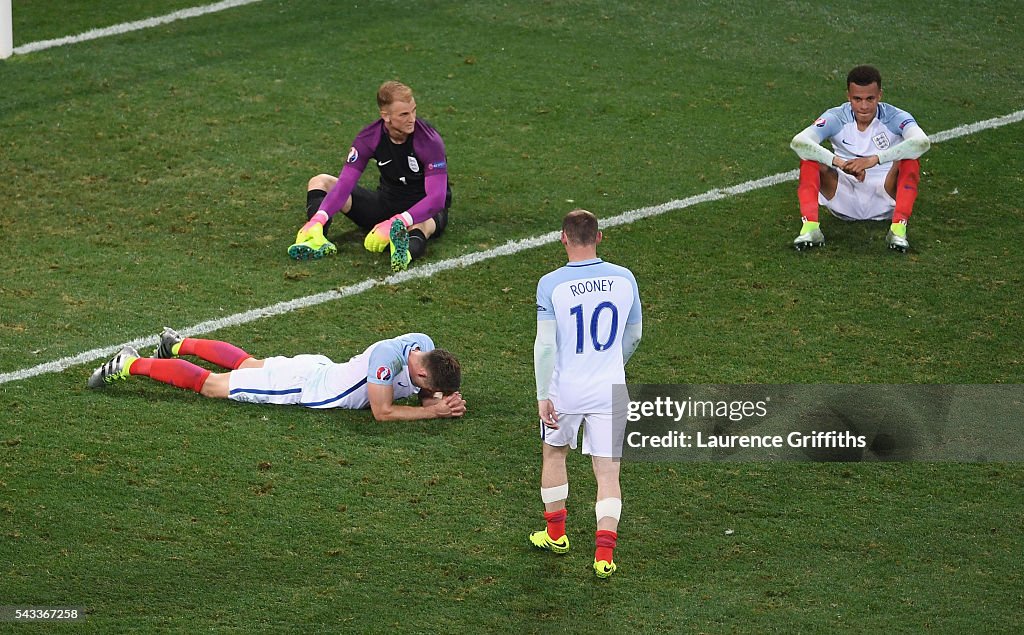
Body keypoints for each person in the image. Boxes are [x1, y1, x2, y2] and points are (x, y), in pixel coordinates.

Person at [529, 209, 642, 579]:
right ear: (599, 237)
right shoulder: (625, 278)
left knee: (554, 453)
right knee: (608, 472)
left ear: (563, 237)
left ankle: (557, 535)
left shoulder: (551, 284)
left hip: (567, 388)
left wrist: (543, 393)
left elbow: (545, 346)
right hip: (611, 388)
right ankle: (604, 556)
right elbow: (635, 335)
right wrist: (612, 362)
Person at [87, 329, 466, 422]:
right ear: (419, 370)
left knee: (249, 364)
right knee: (214, 386)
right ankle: (128, 364)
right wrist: (432, 412)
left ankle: (176, 343)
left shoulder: (423, 343)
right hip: (308, 386)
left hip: (319, 368)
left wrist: (439, 398)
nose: (425, 392)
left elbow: (424, 391)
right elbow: (382, 413)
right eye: (427, 385)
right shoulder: (386, 360)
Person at [288, 80, 452, 272]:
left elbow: (437, 199)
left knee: (421, 225)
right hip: (386, 204)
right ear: (386, 116)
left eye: (414, 110)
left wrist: (398, 221)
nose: (412, 119)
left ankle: (404, 253)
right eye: (404, 114)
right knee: (320, 181)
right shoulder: (369, 138)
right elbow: (345, 185)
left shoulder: (429, 141)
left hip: (422, 209)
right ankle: (316, 239)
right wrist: (319, 218)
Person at [790, 65, 931, 252]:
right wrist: (840, 163)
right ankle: (811, 228)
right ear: (848, 96)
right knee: (809, 159)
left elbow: (922, 142)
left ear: (880, 95)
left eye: (870, 99)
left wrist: (874, 160)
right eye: (857, 99)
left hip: (885, 194)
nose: (864, 106)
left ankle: (898, 230)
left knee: (910, 159)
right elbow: (799, 142)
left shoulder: (896, 117)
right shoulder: (836, 117)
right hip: (843, 192)